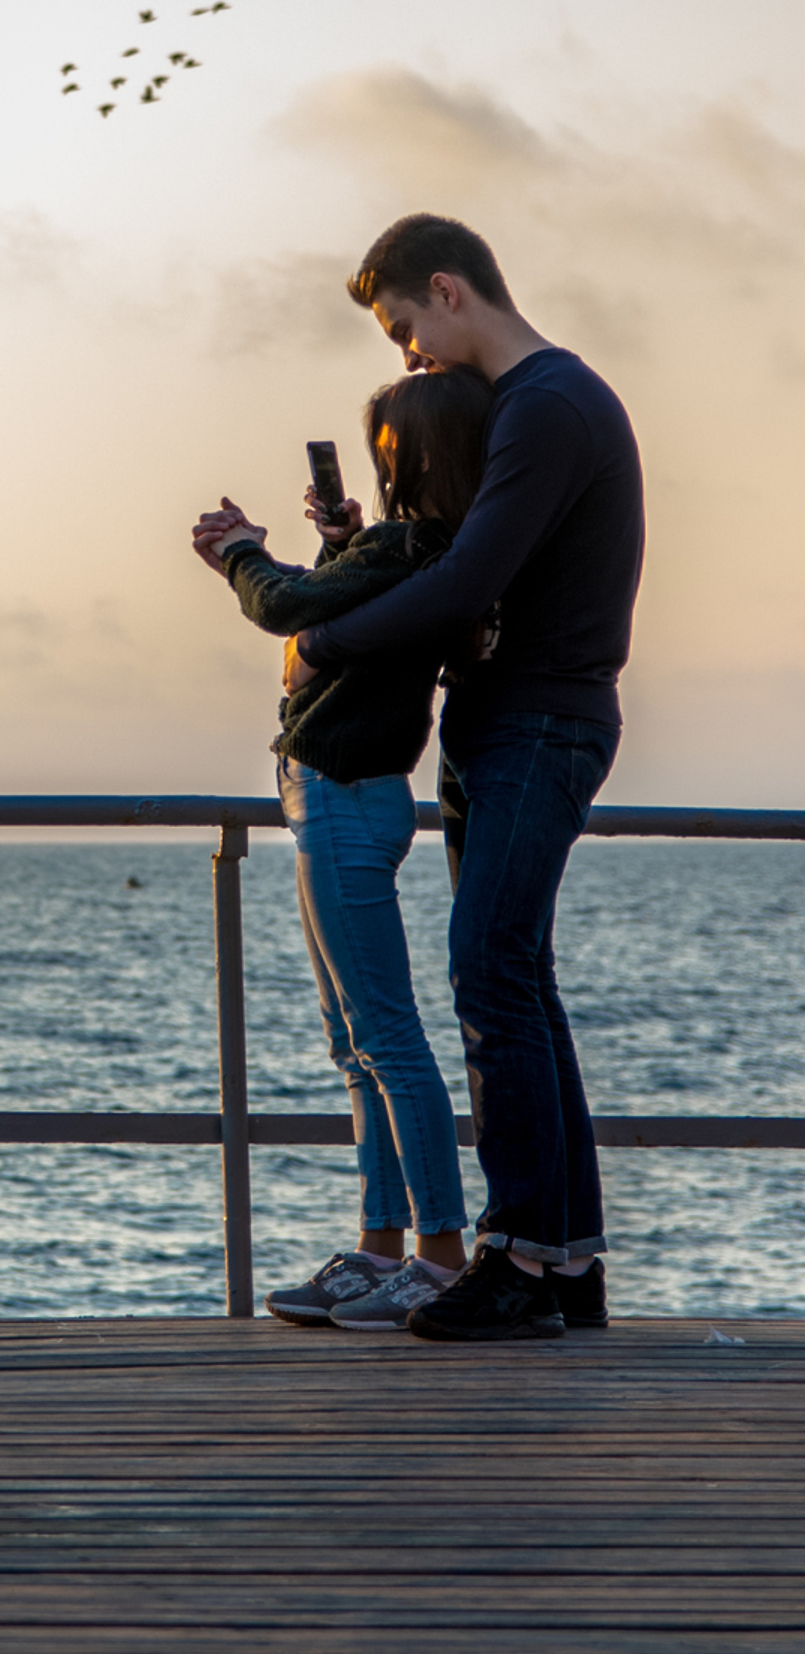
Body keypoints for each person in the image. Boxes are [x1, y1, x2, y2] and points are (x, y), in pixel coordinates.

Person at [283, 213, 643, 1345]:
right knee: (517, 979)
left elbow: (464, 582)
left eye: (403, 331)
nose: (409, 360)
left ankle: (515, 1261)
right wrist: (357, 540)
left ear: (446, 289)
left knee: (489, 973)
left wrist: (324, 640)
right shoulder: (539, 406)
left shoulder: (545, 405)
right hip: (504, 723)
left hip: (538, 722)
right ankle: (564, 1263)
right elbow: (454, 558)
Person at [192, 367, 491, 1331]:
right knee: (356, 1044)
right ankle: (379, 1248)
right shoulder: (419, 549)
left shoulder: (411, 546)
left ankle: (438, 1256)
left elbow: (286, 610)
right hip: (338, 798)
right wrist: (339, 541)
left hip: (345, 802)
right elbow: (342, 604)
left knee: (386, 1040)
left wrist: (242, 553)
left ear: (411, 456)